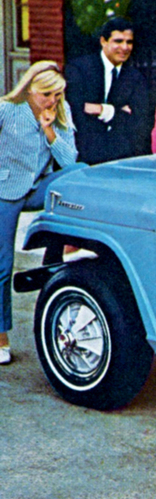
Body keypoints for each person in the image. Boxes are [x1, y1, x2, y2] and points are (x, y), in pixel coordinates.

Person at [0, 62, 80, 365]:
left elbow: (69, 160)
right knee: (3, 265)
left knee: (79, 174)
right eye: (46, 94)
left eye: (57, 94)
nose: (52, 100)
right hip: (5, 189)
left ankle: (56, 249)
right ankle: (0, 337)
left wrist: (49, 129)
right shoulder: (8, 110)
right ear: (30, 89)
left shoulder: (61, 111)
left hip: (37, 187)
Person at [64, 17, 150, 163]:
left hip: (120, 157)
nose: (125, 47)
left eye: (129, 42)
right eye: (118, 41)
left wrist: (103, 110)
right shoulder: (79, 69)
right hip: (84, 155)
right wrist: (120, 113)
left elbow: (140, 123)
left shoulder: (136, 78)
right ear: (103, 41)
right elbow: (74, 112)